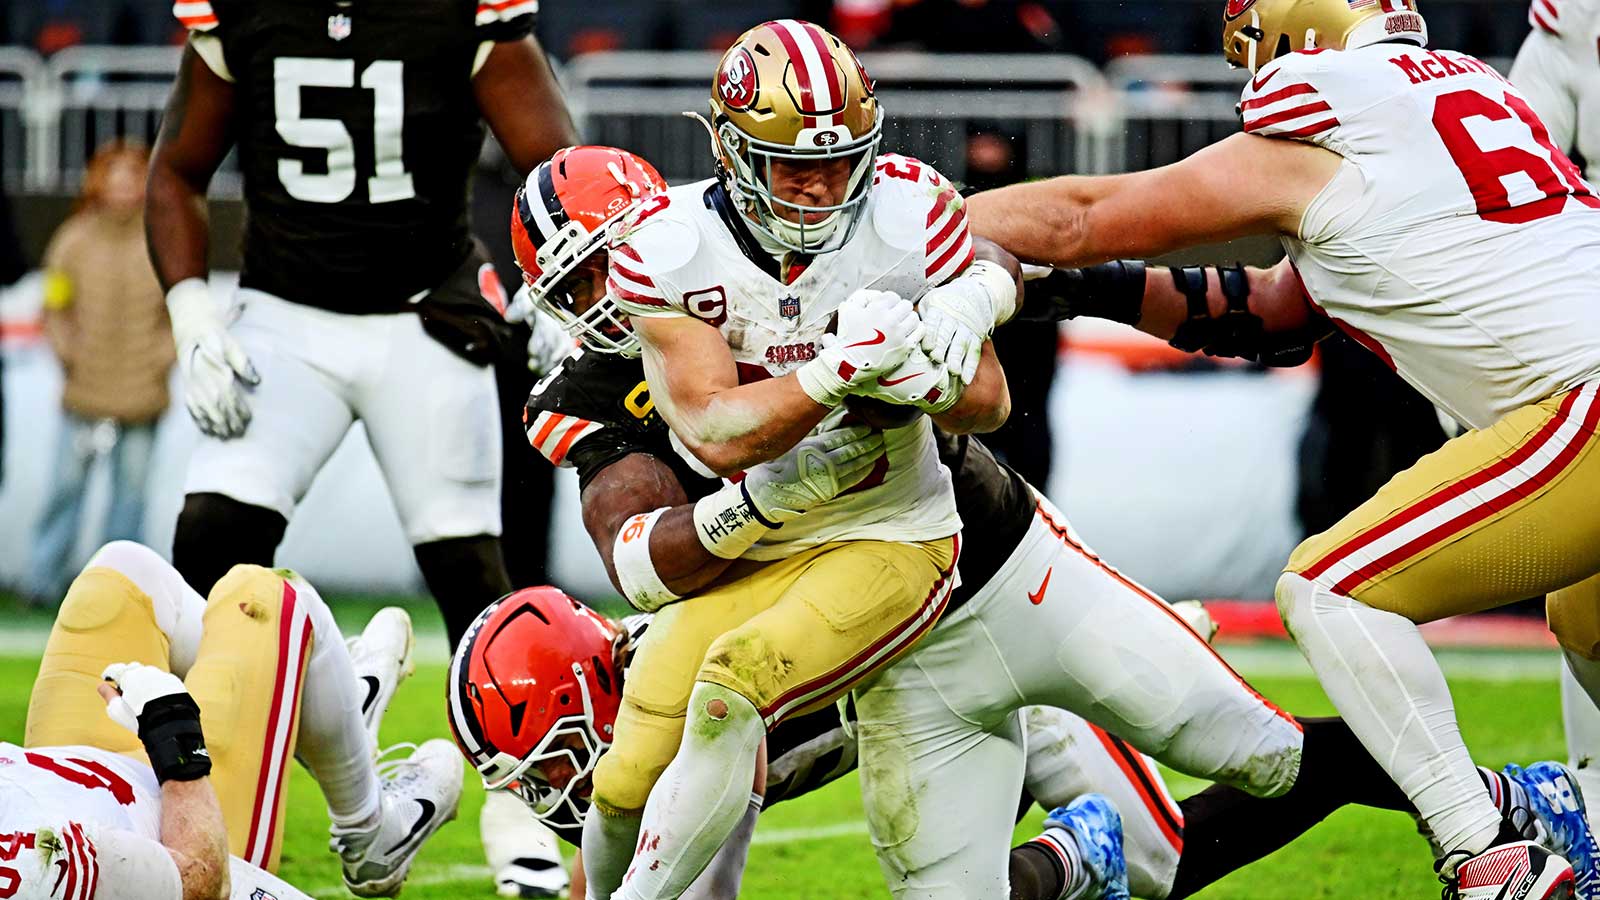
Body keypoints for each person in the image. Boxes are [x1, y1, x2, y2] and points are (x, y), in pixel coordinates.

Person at [503, 144, 1584, 900]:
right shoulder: (594, 388)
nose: (615, 291)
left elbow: (1011, 304)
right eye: (587, 276)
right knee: (697, 742)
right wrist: (779, 487)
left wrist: (973, 315)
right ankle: (1068, 866)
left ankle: (1497, 810)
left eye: (627, 256)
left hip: (990, 563)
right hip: (842, 635)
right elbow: (647, 559)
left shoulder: (816, 255)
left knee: (1207, 809)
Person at [965, 0, 1600, 896]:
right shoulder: (1456, 93)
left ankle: (1485, 851)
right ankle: (1576, 825)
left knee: (1331, 591)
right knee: (1586, 623)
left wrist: (919, 225)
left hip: (1585, 399)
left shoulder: (1328, 100)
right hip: (1580, 384)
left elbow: (1083, 211)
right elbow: (1270, 311)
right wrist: (1077, 291)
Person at [570, 23, 1022, 896]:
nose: (818, 185)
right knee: (624, 777)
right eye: (789, 163)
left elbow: (992, 403)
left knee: (732, 690)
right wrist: (832, 372)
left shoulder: (905, 212)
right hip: (760, 545)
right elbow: (714, 430)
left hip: (889, 532)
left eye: (838, 159)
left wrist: (926, 374)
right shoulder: (668, 247)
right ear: (733, 154)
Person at [146, 0, 579, 893]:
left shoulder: (461, 11)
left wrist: (555, 280)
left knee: (475, 585)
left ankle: (519, 817)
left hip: (421, 317)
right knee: (209, 558)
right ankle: (194, 788)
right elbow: (176, 171)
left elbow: (556, 164)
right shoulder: (245, 11)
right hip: (285, 316)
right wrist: (191, 315)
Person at [3, 541, 462, 898]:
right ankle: (369, 828)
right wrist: (174, 738)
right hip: (182, 818)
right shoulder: (26, 865)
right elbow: (202, 882)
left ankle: (319, 710)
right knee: (271, 597)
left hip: (61, 770)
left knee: (124, 576)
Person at [1507, 0, 1600, 833]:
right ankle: (1596, 795)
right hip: (1583, 311)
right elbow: (1511, 197)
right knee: (1582, 581)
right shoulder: (1567, 32)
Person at [25, 142, 173, 606]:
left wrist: (157, 359)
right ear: (98, 182)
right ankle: (42, 583)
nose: (124, 188)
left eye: (134, 177)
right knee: (64, 492)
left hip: (141, 397)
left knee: (129, 502)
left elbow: (179, 310)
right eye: (115, 176)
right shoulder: (72, 239)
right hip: (84, 394)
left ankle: (119, 591)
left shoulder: (163, 240)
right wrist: (70, 356)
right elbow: (54, 306)